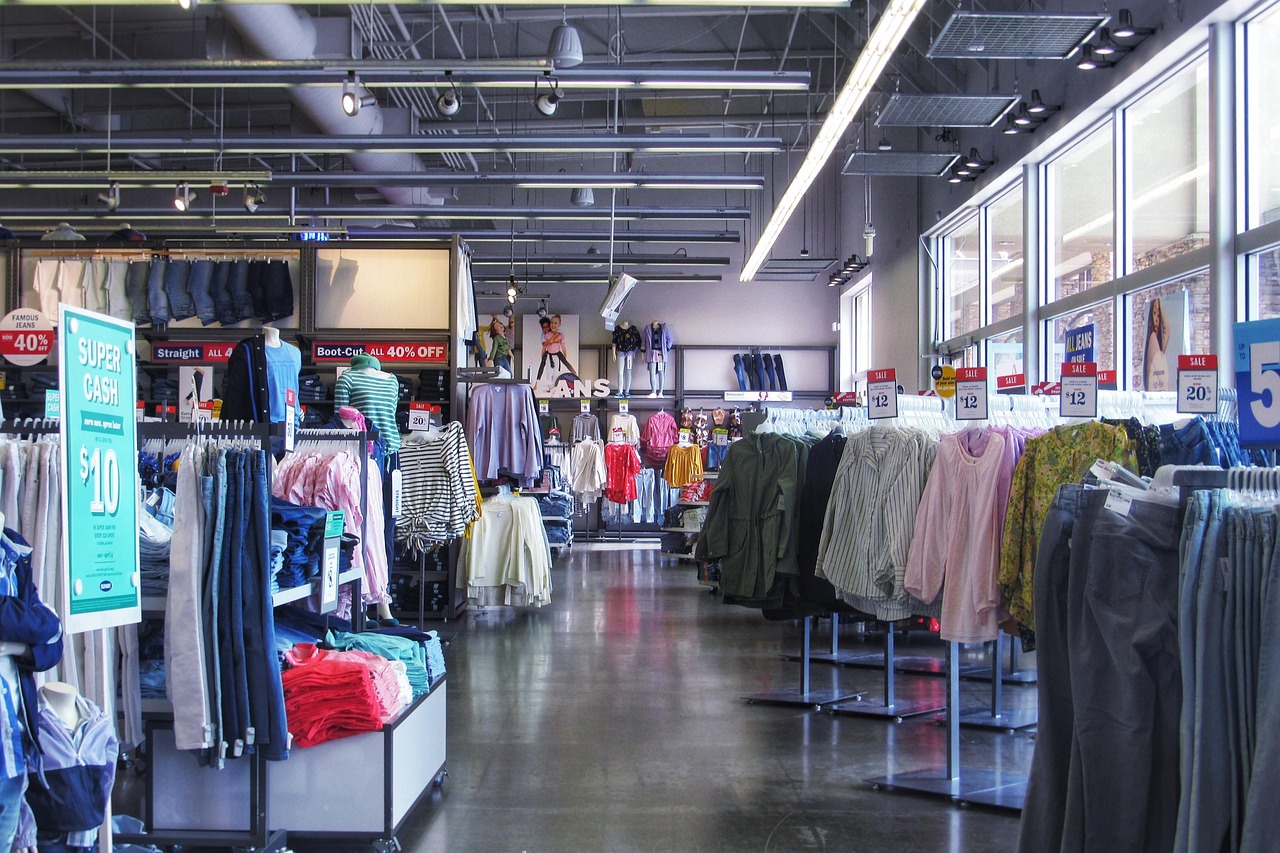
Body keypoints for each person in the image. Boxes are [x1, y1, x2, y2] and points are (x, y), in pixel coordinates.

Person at [537, 314, 577, 381]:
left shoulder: (560, 334)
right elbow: (544, 346)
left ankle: (575, 374)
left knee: (557, 372)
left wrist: (565, 355)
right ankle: (541, 383)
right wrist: (542, 356)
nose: (553, 325)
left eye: (555, 323)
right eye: (552, 323)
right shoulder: (545, 335)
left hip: (557, 354)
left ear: (559, 324)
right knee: (548, 372)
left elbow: (563, 346)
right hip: (549, 354)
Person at [1143, 297, 1171, 391]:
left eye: (1158, 315)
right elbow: (1166, 330)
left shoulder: (1156, 339)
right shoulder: (1152, 339)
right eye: (1154, 314)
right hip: (1156, 387)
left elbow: (1167, 329)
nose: (1156, 319)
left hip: (1157, 387)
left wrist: (1160, 306)